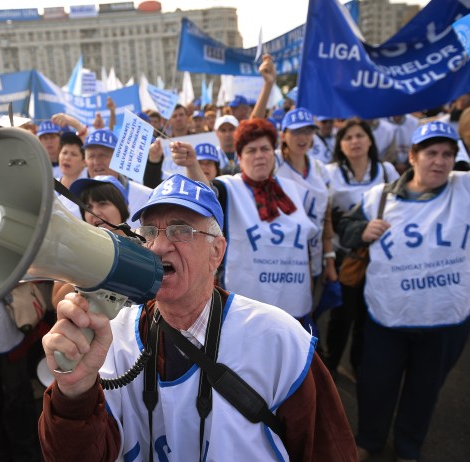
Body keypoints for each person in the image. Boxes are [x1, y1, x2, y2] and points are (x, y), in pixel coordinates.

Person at [39, 173, 357, 461]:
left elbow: (329, 449)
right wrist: (75, 393)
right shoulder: (113, 336)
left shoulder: (279, 339)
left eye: (181, 231)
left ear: (216, 252)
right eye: (148, 232)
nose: (160, 246)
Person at [336, 121, 470, 462]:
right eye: (431, 153)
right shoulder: (380, 197)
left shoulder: (465, 189)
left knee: (424, 392)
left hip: (446, 320)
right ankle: (369, 439)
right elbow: (345, 228)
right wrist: (362, 230)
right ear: (412, 156)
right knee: (375, 386)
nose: (439, 161)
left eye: (447, 154)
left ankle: (409, 446)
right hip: (388, 317)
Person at [174, 119, 318, 326]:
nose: (259, 155)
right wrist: (192, 165)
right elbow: (205, 196)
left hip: (294, 303)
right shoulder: (228, 187)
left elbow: (308, 246)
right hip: (246, 310)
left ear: (273, 154)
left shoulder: (297, 191)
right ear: (240, 158)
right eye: (251, 150)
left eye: (265, 149)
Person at [322, 119, 400, 380]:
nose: (354, 141)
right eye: (348, 137)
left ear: (370, 140)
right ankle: (331, 365)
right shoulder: (329, 172)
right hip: (346, 255)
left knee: (368, 317)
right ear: (340, 145)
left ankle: (358, 364)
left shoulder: (387, 171)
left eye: (360, 136)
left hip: (381, 257)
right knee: (342, 316)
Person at [277, 108, 337, 288]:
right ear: (283, 135)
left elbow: (325, 217)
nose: (302, 138)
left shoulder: (320, 169)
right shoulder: (274, 164)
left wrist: (329, 259)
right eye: (295, 132)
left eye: (307, 131)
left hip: (314, 254)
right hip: (280, 258)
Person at [51, 174, 131, 306]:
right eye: (88, 207)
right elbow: (57, 301)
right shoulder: (73, 248)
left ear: (122, 207)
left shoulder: (145, 245)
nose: (95, 212)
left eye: (103, 204)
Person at [82, 128, 151, 228]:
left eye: (103, 155)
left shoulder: (146, 197)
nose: (96, 162)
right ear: (85, 161)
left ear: (118, 159)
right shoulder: (74, 202)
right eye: (91, 156)